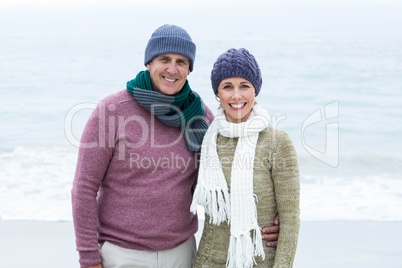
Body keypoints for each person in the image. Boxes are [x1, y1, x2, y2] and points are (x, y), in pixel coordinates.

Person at [71, 25, 280, 268]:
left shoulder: (200, 115)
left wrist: (270, 218)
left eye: (181, 61)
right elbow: (84, 188)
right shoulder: (111, 111)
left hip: (182, 253)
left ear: (189, 69)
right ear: (149, 62)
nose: (172, 69)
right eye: (164, 59)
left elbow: (231, 175)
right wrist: (88, 258)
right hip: (122, 253)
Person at [191, 48, 300, 267]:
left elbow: (290, 221)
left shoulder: (277, 142)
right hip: (208, 261)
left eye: (244, 86)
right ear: (217, 94)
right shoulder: (207, 141)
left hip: (261, 262)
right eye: (227, 87)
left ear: (255, 91)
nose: (236, 95)